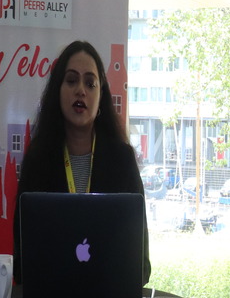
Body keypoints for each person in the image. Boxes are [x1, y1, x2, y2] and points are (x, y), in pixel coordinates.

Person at [12, 39, 150, 285]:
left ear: (101, 97)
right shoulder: (37, 160)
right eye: (71, 80)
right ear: (57, 91)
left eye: (90, 83)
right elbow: (23, 258)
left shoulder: (122, 160)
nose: (80, 91)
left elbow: (140, 262)